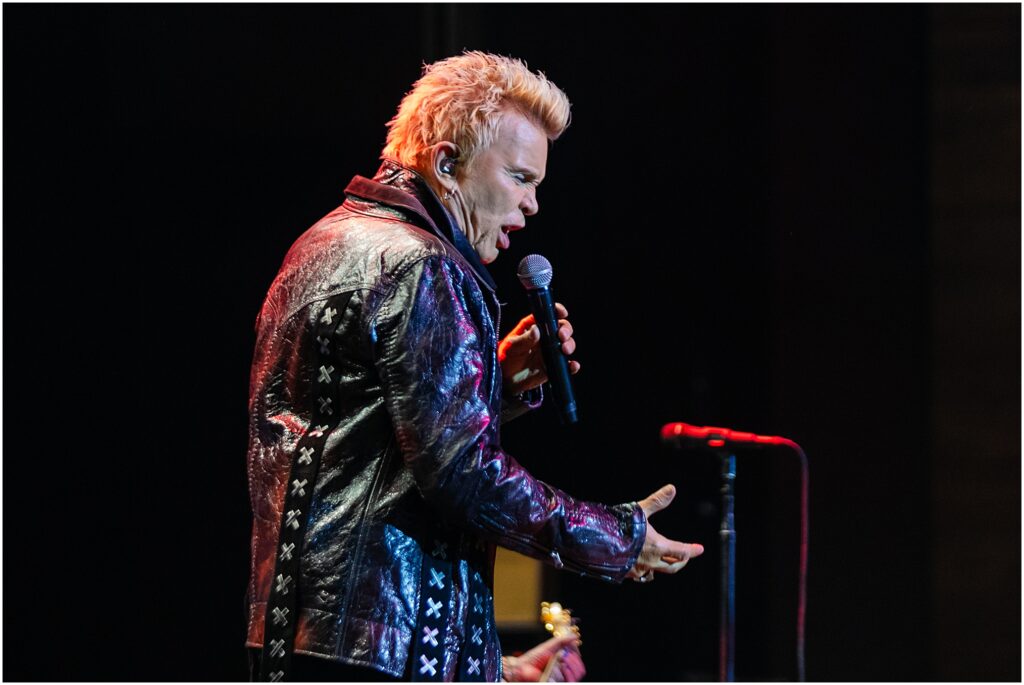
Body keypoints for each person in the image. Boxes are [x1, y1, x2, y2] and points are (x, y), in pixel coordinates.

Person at [245, 51, 704, 682]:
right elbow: (462, 474)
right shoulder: (424, 264)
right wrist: (609, 537)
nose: (532, 204)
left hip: (298, 637)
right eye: (520, 177)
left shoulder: (318, 245)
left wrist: (495, 379)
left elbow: (366, 444)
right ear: (446, 164)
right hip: (393, 647)